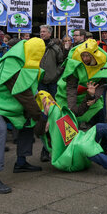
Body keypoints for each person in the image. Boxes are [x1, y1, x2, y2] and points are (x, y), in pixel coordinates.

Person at [0, 38, 47, 194]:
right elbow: (22, 93)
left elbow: (29, 91)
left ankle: (21, 162)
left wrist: (35, 116)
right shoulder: (12, 62)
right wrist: (40, 117)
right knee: (0, 129)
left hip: (9, 105)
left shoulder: (27, 61)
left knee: (27, 124)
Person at [36, 91, 107, 174]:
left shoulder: (62, 113)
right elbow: (38, 131)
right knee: (84, 145)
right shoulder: (42, 121)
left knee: (99, 127)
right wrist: (44, 117)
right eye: (46, 101)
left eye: (50, 99)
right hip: (69, 157)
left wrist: (90, 95)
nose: (50, 103)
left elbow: (79, 110)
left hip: (79, 141)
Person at [55, 39, 107, 153]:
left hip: (92, 94)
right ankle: (61, 151)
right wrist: (72, 108)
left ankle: (105, 148)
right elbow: (71, 87)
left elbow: (101, 84)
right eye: (83, 55)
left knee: (99, 121)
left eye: (88, 56)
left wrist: (94, 98)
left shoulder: (102, 63)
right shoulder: (74, 62)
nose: (85, 59)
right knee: (63, 121)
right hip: (67, 95)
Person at [38, 25, 65, 162]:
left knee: (53, 112)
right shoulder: (36, 45)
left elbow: (62, 63)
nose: (41, 33)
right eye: (40, 31)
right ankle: (44, 148)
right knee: (43, 112)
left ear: (49, 33)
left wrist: (56, 75)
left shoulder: (56, 48)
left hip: (52, 83)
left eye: (43, 32)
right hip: (40, 82)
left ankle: (50, 147)